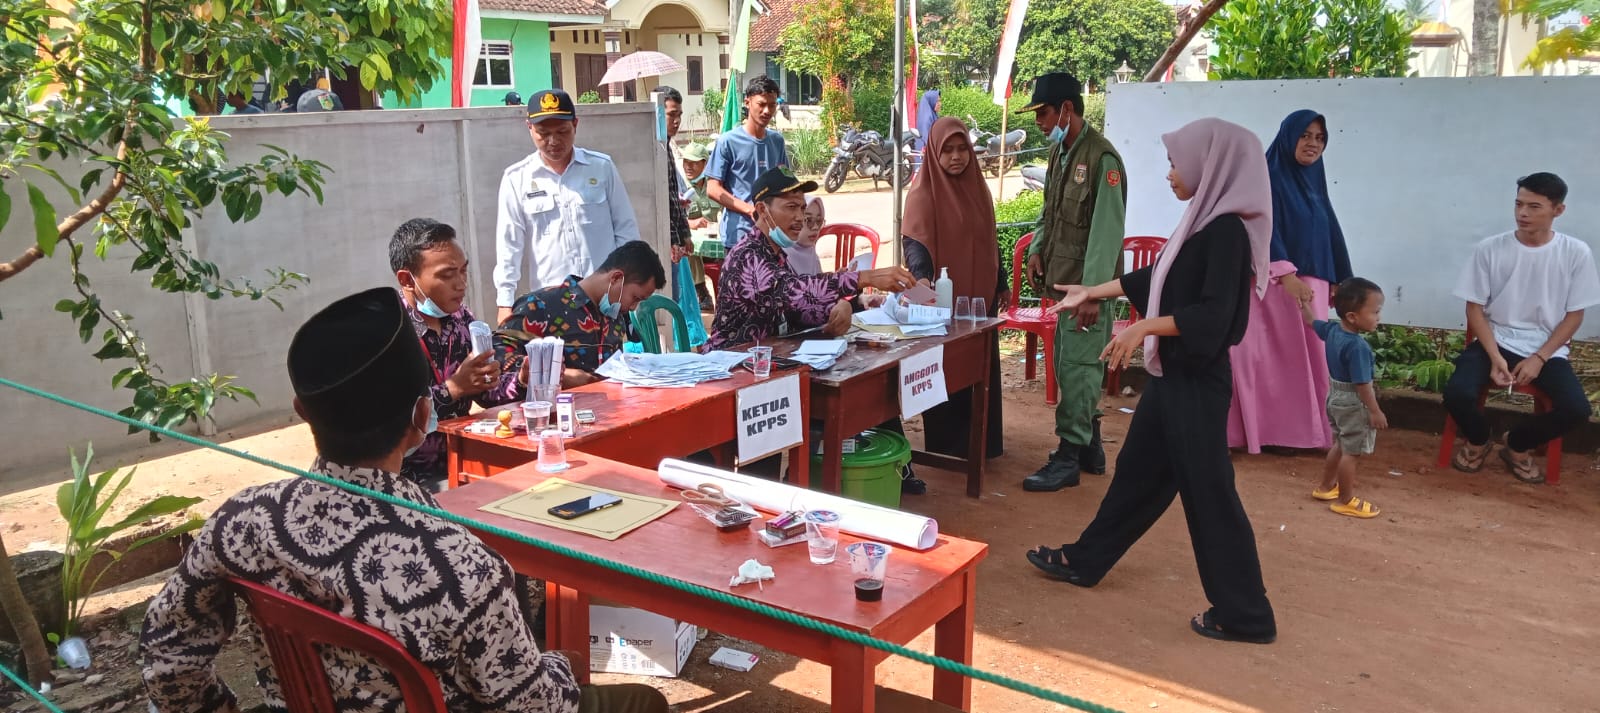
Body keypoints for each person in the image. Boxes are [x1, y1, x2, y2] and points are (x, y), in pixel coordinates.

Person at [140, 287, 670, 713]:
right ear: (422, 419)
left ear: (303, 411)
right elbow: (531, 704)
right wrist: (560, 665)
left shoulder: (242, 522)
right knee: (640, 701)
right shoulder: (460, 563)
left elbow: (166, 659)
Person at [1025, 118, 1277, 645]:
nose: (1168, 173)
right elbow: (1155, 279)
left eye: (1175, 163)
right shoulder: (1201, 223)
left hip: (1196, 384)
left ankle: (1246, 615)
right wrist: (1094, 291)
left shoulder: (1227, 232)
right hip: (1172, 381)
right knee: (1138, 476)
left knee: (1210, 496)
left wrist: (1142, 327)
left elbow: (1212, 318)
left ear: (1211, 166)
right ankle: (1085, 560)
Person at [1444, 172, 1600, 483]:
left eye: (1534, 207)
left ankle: (1516, 444)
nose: (1522, 214)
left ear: (1558, 210)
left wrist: (1539, 358)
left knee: (1576, 409)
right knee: (1456, 392)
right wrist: (1495, 356)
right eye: (1518, 204)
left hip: (1545, 348)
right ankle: (1478, 439)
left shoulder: (1575, 252)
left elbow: (1574, 316)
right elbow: (1474, 309)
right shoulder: (1490, 248)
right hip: (1495, 339)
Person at [1019, 72, 1127, 492]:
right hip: (1064, 286)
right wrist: (1035, 250)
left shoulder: (1102, 160)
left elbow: (1106, 234)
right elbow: (1051, 212)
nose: (1039, 122)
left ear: (1067, 108)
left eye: (1043, 113)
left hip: (1087, 290)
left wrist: (1093, 295)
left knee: (1080, 368)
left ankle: (1067, 457)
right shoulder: (1061, 152)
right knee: (1073, 367)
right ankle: (1090, 448)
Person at [1228, 109, 1354, 454]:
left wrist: (1341, 276)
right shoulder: (1267, 177)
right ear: (1288, 136)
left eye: (1319, 137)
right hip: (1275, 284)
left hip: (1310, 285)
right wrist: (1286, 273)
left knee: (1308, 358)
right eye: (1305, 135)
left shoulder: (1315, 179)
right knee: (1263, 359)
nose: (1313, 144)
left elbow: (1327, 226)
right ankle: (1258, 432)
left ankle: (1295, 435)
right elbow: (1262, 227)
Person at [705, 167, 914, 351]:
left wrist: (843, 306)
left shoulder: (777, 254)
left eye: (801, 208)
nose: (799, 217)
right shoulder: (747, 256)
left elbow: (792, 311)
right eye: (791, 207)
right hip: (730, 366)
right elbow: (791, 291)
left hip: (764, 362)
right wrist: (865, 277)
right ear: (762, 210)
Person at [390, 218, 523, 492]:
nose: (461, 284)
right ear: (407, 279)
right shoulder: (390, 333)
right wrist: (452, 390)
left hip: (461, 459)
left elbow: (485, 394)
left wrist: (520, 381)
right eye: (447, 275)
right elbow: (390, 421)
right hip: (406, 479)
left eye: (463, 271)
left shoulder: (462, 320)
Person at [902, 116, 1007, 459]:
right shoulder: (923, 194)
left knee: (980, 366)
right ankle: (948, 446)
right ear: (934, 152)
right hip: (943, 302)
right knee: (947, 367)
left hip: (981, 299)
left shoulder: (978, 188)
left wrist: (1002, 280)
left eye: (962, 149)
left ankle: (984, 442)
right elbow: (915, 243)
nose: (957, 157)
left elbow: (991, 240)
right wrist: (923, 281)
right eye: (947, 150)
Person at [494, 89, 641, 324]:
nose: (553, 141)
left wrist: (628, 285)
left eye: (562, 131)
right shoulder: (516, 178)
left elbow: (626, 230)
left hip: (604, 300)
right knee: (555, 362)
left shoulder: (601, 167)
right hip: (550, 303)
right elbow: (509, 247)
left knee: (611, 360)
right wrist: (504, 302)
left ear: (575, 124)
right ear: (529, 128)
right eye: (543, 133)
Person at [497, 241, 666, 388]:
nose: (632, 307)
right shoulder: (541, 305)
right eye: (635, 298)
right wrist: (559, 376)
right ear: (615, 278)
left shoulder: (614, 319)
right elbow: (498, 361)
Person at [1300, 278, 1387, 518]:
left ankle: (1326, 487)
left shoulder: (1333, 330)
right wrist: (1374, 411)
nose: (1378, 317)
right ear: (1352, 316)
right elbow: (1362, 384)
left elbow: (1310, 322)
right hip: (1353, 402)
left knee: (1340, 443)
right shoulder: (1358, 347)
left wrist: (1303, 304)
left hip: (1335, 396)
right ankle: (1346, 499)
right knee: (1352, 452)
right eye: (1375, 311)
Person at [705, 74, 789, 248]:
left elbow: (786, 183)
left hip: (772, 236)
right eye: (761, 104)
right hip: (739, 236)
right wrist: (749, 209)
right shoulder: (727, 141)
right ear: (747, 103)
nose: (767, 111)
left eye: (772, 105)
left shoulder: (777, 141)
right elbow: (713, 189)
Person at [658, 86, 696, 294]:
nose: (676, 121)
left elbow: (673, 198)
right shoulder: (653, 149)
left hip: (672, 237)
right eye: (671, 114)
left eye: (679, 115)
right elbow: (661, 202)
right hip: (659, 239)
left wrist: (685, 235)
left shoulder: (667, 147)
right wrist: (673, 240)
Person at [785, 196, 827, 276]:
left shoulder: (811, 253)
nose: (815, 227)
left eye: (819, 221)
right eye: (808, 220)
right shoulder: (781, 258)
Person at [912, 89, 940, 170]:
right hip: (925, 154)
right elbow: (926, 138)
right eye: (937, 101)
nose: (939, 104)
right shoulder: (927, 119)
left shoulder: (932, 115)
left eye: (939, 101)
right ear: (931, 101)